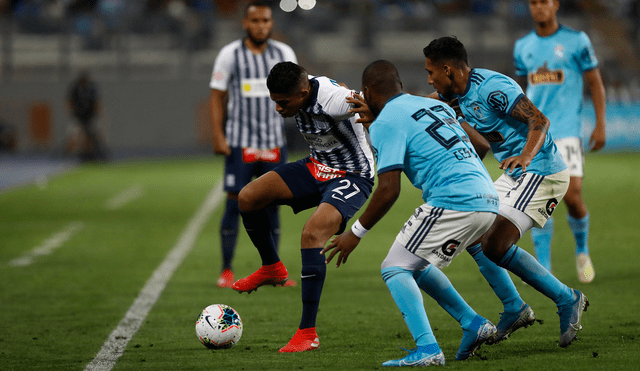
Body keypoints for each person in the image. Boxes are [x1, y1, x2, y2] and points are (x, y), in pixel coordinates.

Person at [323, 60, 539, 366]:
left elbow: (388, 190)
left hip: (454, 200)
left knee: (395, 268)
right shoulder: (432, 106)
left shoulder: (387, 123)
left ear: (368, 91)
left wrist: (354, 234)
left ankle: (428, 349)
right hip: (489, 197)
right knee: (415, 261)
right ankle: (473, 323)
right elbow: (479, 144)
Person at [422, 36, 589, 348]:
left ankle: (568, 299)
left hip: (541, 170)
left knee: (496, 244)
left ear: (448, 69)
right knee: (473, 232)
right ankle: (514, 307)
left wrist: (525, 156)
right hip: (514, 174)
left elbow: (539, 120)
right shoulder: (455, 92)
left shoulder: (493, 88)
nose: (429, 78)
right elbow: (423, 103)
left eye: (431, 72)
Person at [232, 61, 375, 353]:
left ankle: (307, 333)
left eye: (283, 103)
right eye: (275, 102)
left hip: (352, 175)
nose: (278, 109)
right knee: (247, 197)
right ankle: (272, 267)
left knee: (311, 235)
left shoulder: (334, 101)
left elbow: (375, 99)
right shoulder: (298, 84)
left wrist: (375, 112)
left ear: (303, 91)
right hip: (315, 167)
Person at [514, 0, 606, 283]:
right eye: (533, 2)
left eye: (544, 2)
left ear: (555, 5)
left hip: (566, 130)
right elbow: (518, 93)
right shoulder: (522, 47)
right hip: (535, 133)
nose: (538, 7)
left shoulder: (577, 41)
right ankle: (544, 266)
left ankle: (582, 250)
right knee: (540, 199)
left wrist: (600, 123)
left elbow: (595, 82)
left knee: (572, 195)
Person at [209, 0, 297, 288]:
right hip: (240, 143)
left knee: (273, 206)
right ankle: (225, 268)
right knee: (234, 204)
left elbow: (299, 93)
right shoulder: (230, 54)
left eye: (266, 21)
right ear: (245, 23)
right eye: (255, 21)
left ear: (272, 23)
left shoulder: (283, 53)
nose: (261, 26)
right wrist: (218, 135)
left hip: (273, 143)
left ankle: (274, 270)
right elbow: (216, 96)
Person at [67, 71, 106, 162]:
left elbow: (97, 103)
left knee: (92, 135)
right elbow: (70, 103)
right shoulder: (75, 89)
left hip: (90, 117)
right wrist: (74, 115)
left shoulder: (92, 89)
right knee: (76, 134)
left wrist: (97, 114)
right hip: (78, 117)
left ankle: (91, 153)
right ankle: (74, 155)